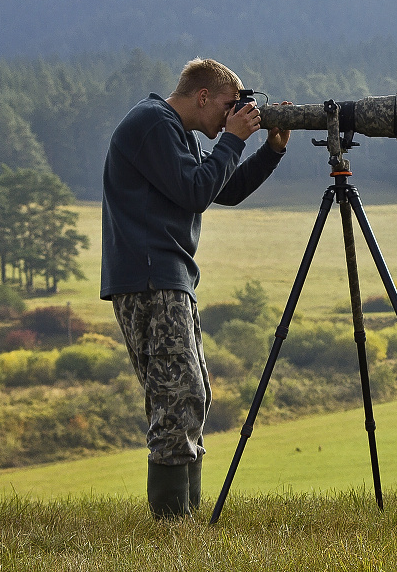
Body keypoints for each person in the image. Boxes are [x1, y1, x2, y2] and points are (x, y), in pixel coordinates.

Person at [100, 58, 291, 519]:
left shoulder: (174, 131)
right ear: (202, 96)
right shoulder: (153, 123)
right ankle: (172, 524)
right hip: (150, 278)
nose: (233, 116)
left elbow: (219, 188)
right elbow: (195, 192)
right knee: (177, 393)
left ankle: (183, 516)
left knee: (192, 391)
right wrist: (233, 140)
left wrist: (270, 151)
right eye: (229, 106)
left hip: (166, 278)